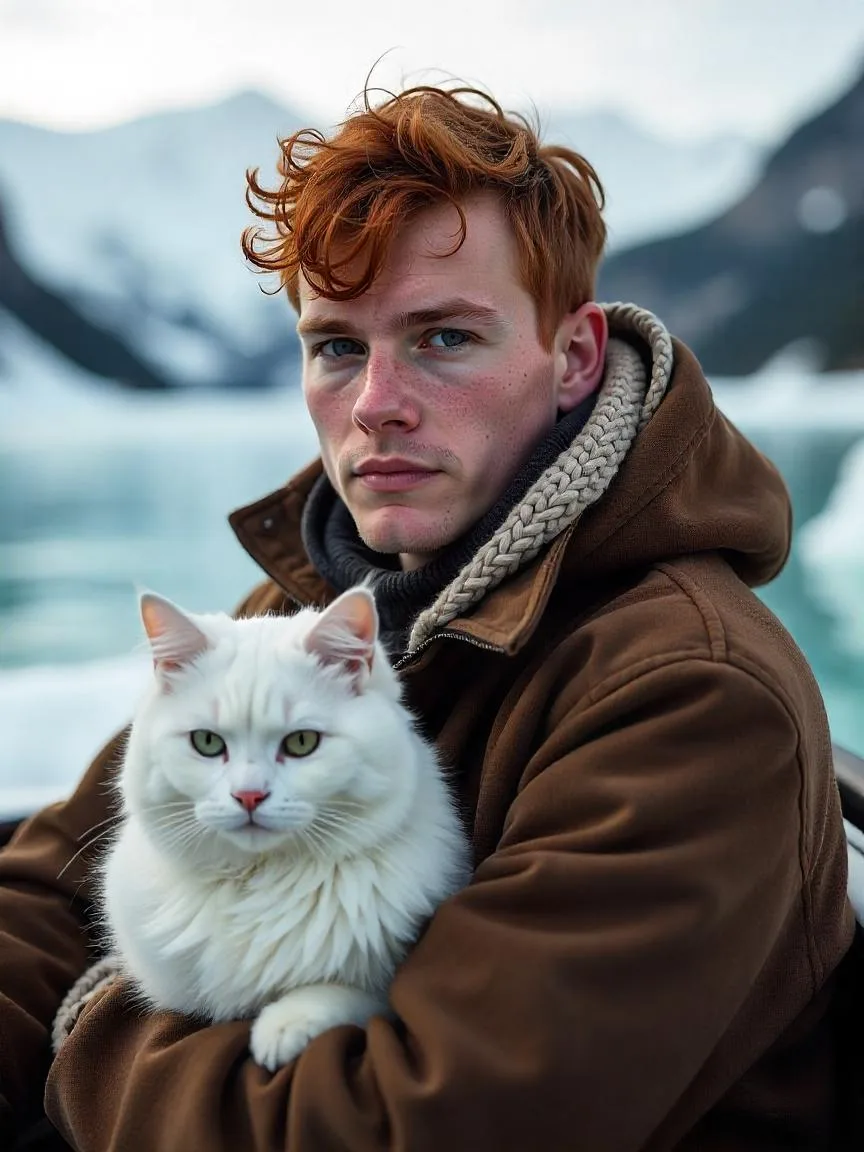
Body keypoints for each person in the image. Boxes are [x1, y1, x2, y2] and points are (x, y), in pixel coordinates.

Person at [0, 83, 858, 1152]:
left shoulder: (686, 691)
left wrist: (82, 1035)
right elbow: (52, 875)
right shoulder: (314, 606)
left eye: (443, 338)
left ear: (574, 358)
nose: (375, 404)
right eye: (336, 347)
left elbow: (409, 1125)